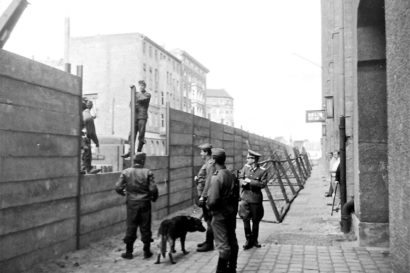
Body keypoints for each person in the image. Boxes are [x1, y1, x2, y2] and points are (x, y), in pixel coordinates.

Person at [115, 152, 159, 259]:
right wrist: (154, 198)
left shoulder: (126, 172)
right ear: (143, 161)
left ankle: (129, 252)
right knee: (145, 226)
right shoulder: (148, 172)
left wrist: (125, 194)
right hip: (145, 203)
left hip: (132, 204)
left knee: (131, 226)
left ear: (134, 161)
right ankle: (147, 251)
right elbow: (153, 189)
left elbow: (118, 187)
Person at [206, 148, 239, 273]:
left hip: (219, 215)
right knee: (232, 241)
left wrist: (209, 208)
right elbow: (236, 197)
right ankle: (232, 269)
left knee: (223, 246)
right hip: (230, 213)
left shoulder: (217, 177)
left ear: (214, 160)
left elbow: (213, 200)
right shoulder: (231, 174)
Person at [238, 149, 267, 250]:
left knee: (255, 220)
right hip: (245, 198)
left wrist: (249, 181)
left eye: (248, 158)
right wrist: (242, 182)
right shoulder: (245, 168)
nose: (246, 159)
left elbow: (263, 184)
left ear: (254, 159)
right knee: (245, 219)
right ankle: (248, 240)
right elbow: (240, 177)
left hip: (255, 199)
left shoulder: (262, 171)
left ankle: (255, 240)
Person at [122, 80, 151, 157]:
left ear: (145, 86)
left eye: (142, 85)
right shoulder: (136, 94)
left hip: (142, 117)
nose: (141, 87)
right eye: (140, 85)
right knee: (131, 134)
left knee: (141, 135)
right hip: (135, 117)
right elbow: (131, 104)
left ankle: (138, 151)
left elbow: (141, 99)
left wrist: (134, 91)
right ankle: (130, 151)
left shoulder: (147, 95)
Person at [195, 143, 216, 252]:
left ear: (207, 152)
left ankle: (209, 244)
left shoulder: (210, 164)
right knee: (207, 219)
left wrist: (203, 196)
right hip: (204, 194)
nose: (200, 153)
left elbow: (209, 181)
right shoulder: (207, 163)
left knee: (209, 221)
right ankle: (208, 241)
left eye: (202, 151)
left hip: (207, 196)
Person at [81, 99, 100, 174]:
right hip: (84, 138)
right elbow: (91, 132)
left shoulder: (80, 114)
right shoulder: (88, 116)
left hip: (78, 138)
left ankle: (82, 168)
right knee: (87, 152)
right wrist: (96, 142)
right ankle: (88, 169)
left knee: (82, 154)